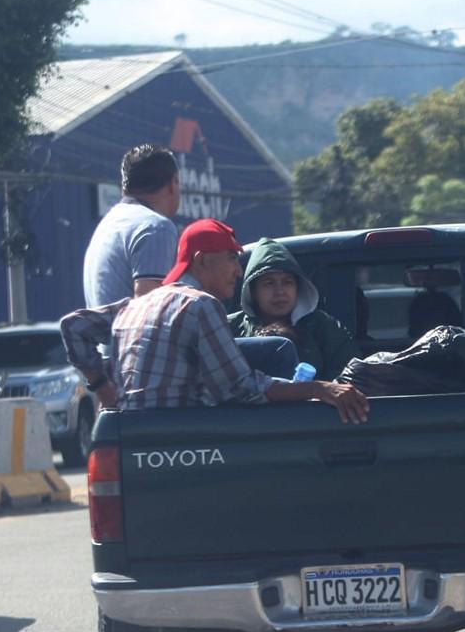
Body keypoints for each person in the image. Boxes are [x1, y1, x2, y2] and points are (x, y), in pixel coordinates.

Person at [61, 219, 369, 424]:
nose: (238, 270)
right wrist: (321, 389)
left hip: (134, 440)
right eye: (232, 258)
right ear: (202, 261)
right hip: (187, 448)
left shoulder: (137, 305)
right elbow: (243, 388)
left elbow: (74, 326)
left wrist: (103, 389)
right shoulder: (200, 305)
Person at [229, 238, 361, 381]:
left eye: (287, 282)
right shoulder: (229, 328)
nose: (280, 292)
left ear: (299, 288)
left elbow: (350, 377)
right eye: (269, 283)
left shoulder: (323, 327)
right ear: (252, 291)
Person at [82, 144, 181, 308]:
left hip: (103, 332)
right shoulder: (156, 227)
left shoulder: (108, 224)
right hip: (129, 334)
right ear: (172, 183)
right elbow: (150, 313)